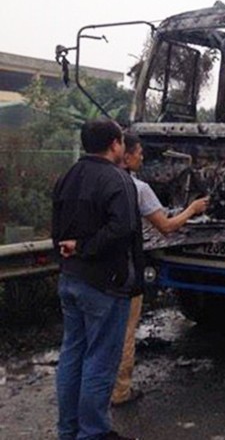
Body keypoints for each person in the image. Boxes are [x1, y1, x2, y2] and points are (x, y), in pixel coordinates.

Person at [52, 118, 143, 440]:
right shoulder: (118, 180)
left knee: (72, 355)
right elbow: (122, 229)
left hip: (70, 278)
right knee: (100, 361)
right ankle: (92, 432)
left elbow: (57, 230)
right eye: (121, 142)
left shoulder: (67, 176)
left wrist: (72, 250)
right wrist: (87, 247)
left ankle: (69, 429)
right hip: (105, 283)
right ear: (115, 145)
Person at [111, 133, 210, 407]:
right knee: (125, 332)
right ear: (124, 154)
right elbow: (166, 226)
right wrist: (193, 209)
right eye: (139, 152)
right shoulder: (137, 188)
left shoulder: (90, 179)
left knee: (92, 334)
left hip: (89, 271)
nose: (143, 156)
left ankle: (89, 391)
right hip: (125, 269)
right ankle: (119, 392)